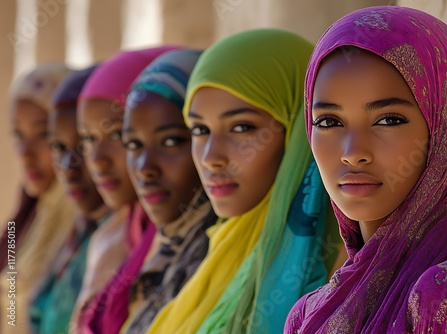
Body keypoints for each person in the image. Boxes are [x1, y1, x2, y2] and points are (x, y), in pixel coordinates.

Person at [285, 6, 447, 333]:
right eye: (329, 122)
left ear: (446, 131)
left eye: (388, 120)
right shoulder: (308, 313)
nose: (353, 153)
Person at [147, 29, 344, 334]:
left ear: (298, 132)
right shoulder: (219, 247)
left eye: (241, 128)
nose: (211, 158)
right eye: (199, 130)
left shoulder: (337, 263)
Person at [70, 46, 176, 332]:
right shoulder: (114, 236)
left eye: (116, 135)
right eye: (89, 139)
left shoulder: (183, 244)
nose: (96, 160)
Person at [112, 48, 217, 334]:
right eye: (133, 145)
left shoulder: (229, 258)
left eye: (171, 141)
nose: (146, 168)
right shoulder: (159, 253)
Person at [29, 65, 111, 334]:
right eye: (59, 147)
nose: (68, 167)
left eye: (84, 145)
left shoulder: (127, 243)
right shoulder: (73, 236)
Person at [1, 63, 75, 334]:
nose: (25, 153)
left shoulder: (83, 223)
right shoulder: (26, 216)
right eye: (18, 135)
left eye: (43, 134)